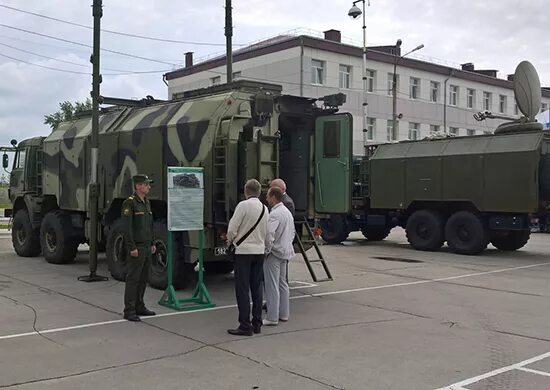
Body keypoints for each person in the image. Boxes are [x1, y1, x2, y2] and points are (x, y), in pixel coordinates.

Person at [226, 179, 269, 336]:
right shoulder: (265, 208)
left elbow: (232, 228)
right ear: (259, 192)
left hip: (243, 251)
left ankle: (245, 325)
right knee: (257, 288)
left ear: (246, 191)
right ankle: (257, 323)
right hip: (259, 251)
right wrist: (266, 247)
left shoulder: (243, 206)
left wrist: (230, 241)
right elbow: (268, 233)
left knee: (242, 289)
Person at [121, 174, 157, 322]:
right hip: (137, 248)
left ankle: (139, 306)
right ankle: (129, 310)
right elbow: (127, 228)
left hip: (147, 247)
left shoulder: (146, 202)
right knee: (133, 279)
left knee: (143, 279)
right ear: (138, 186)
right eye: (146, 184)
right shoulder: (129, 203)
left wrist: (153, 242)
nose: (149, 187)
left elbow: (149, 225)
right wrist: (131, 247)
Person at [263, 187, 295, 325]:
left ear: (273, 197)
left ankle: (272, 317)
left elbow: (269, 234)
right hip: (285, 252)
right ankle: (284, 314)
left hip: (274, 253)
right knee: (283, 284)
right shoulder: (287, 212)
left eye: (268, 196)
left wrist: (267, 249)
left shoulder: (275, 214)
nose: (266, 199)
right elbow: (292, 232)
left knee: (272, 285)